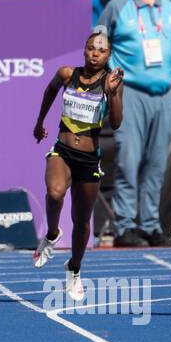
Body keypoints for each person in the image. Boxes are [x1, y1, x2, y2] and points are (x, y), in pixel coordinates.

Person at [101, 0, 171, 247]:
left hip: (164, 92)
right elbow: (98, 46)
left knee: (156, 162)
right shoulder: (117, 6)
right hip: (130, 92)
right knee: (128, 158)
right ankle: (125, 226)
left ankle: (150, 224)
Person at [31, 30, 125, 301]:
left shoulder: (111, 82)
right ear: (84, 50)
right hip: (62, 149)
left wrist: (114, 94)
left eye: (102, 50)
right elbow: (49, 91)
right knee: (55, 192)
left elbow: (117, 123)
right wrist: (39, 123)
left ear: (108, 55)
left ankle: (74, 269)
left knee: (82, 220)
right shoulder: (66, 74)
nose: (95, 53)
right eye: (91, 48)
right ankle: (51, 234)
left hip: (88, 158)